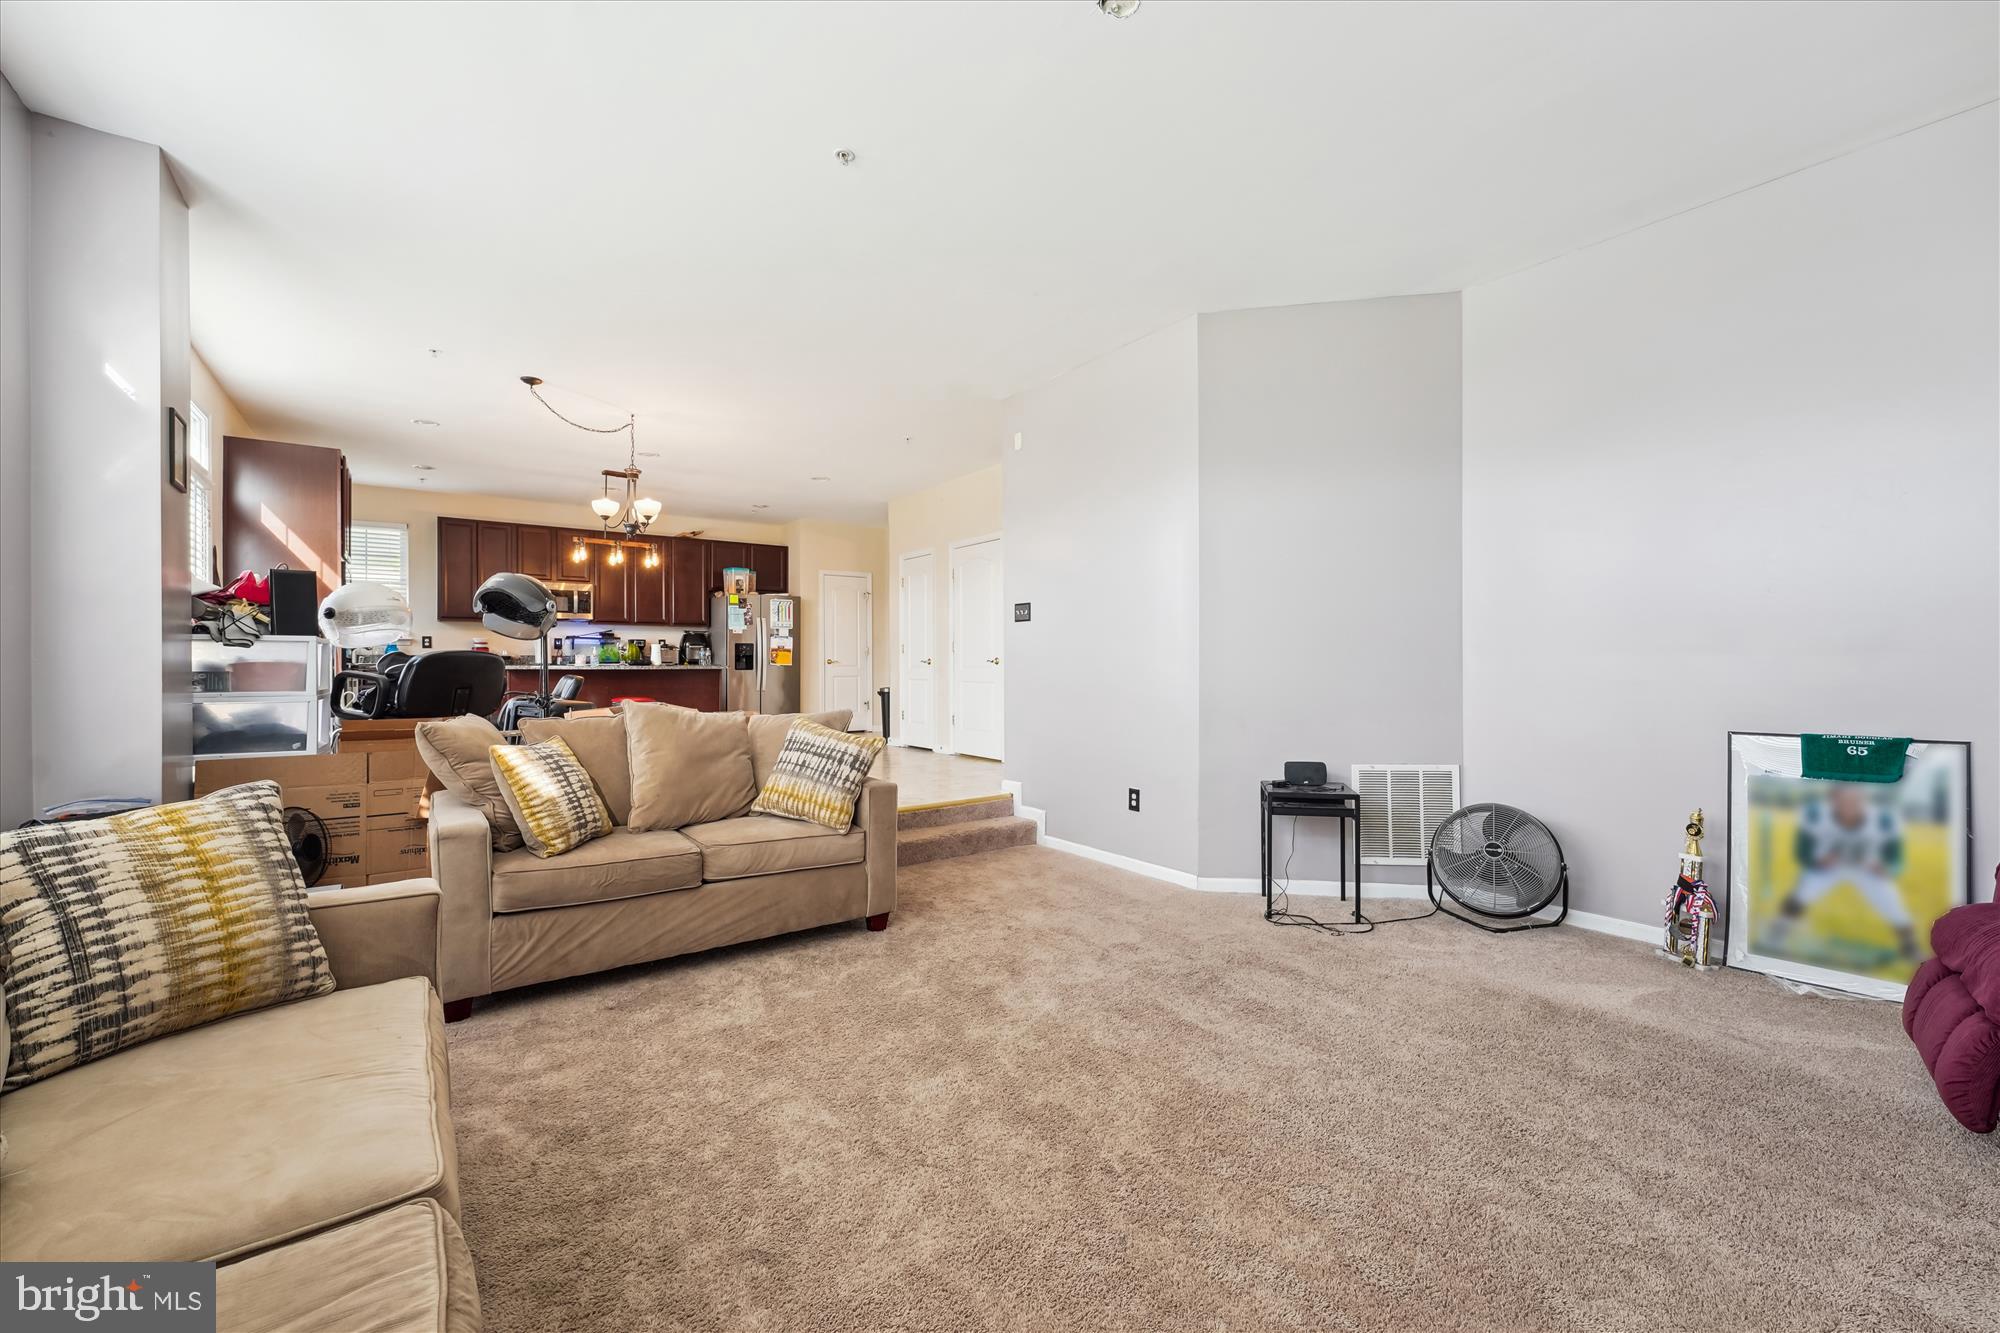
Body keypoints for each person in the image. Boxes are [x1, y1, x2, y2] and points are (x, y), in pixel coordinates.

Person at [1769, 784, 1917, 963]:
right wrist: (1816, 861)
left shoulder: (1883, 819)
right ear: (1833, 801)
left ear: (1863, 800)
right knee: (1801, 894)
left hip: (1866, 867)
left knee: (1892, 902)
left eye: (1854, 801)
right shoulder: (1815, 815)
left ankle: (1910, 946)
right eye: (1844, 801)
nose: (1849, 806)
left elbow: (1896, 858)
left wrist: (1887, 868)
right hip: (1827, 865)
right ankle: (1776, 935)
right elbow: (1801, 851)